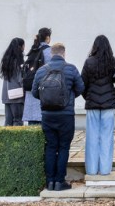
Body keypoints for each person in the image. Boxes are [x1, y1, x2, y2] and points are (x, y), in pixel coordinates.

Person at [32, 42, 84, 192]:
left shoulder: (41, 71)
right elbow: (80, 88)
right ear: (63, 53)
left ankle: (50, 182)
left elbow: (36, 92)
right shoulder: (71, 69)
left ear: (51, 53)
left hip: (47, 115)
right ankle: (60, 182)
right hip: (66, 115)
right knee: (63, 147)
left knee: (50, 147)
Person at [81, 34, 115, 176]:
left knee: (92, 138)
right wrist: (113, 96)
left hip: (92, 104)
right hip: (108, 105)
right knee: (106, 137)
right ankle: (105, 170)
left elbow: (82, 84)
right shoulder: (114, 62)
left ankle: (91, 170)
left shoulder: (89, 62)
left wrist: (88, 97)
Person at [22, 27, 52, 125]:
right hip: (44, 93)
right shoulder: (49, 51)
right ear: (47, 38)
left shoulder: (33, 50)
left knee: (32, 128)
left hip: (30, 90)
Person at [0, 37, 26, 126]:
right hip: (16, 96)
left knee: (8, 122)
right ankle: (17, 140)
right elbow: (20, 79)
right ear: (20, 47)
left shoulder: (6, 61)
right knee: (18, 121)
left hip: (7, 95)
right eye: (23, 45)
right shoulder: (18, 62)